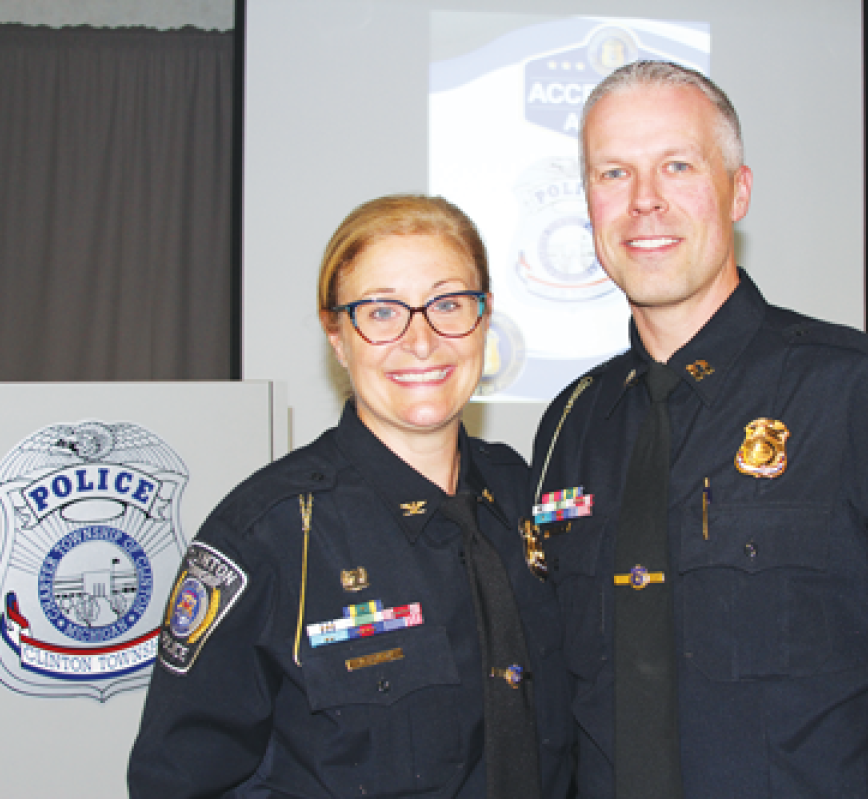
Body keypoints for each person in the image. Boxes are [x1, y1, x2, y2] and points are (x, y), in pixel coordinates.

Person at [526, 61, 868, 797]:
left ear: (737, 190)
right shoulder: (569, 424)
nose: (644, 201)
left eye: (677, 165)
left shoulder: (863, 393)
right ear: (588, 201)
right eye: (613, 173)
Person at [129, 195, 572, 798]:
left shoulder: (525, 496)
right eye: (382, 312)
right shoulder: (270, 532)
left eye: (447, 303)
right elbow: (180, 782)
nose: (421, 340)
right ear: (337, 335)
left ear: (484, 317)